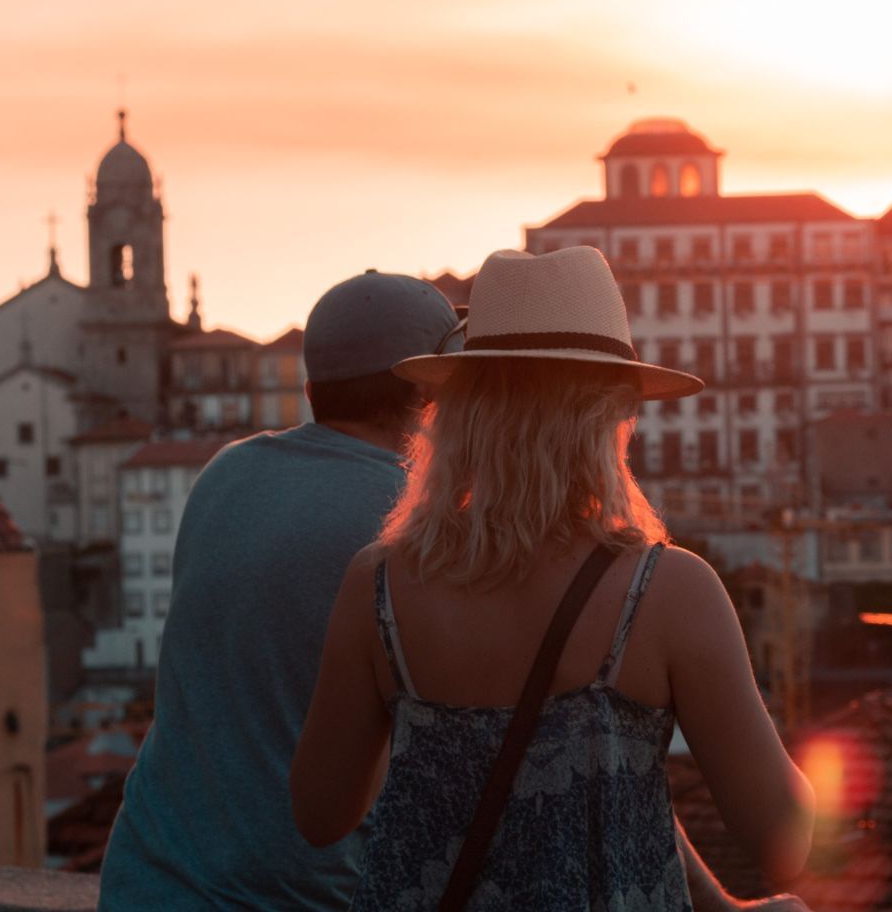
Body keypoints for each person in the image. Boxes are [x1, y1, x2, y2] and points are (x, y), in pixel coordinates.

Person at [102, 268, 786, 911]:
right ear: (429, 397)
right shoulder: (421, 540)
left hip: (149, 880)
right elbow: (595, 750)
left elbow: (318, 800)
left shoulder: (227, 478)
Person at [291, 247, 815, 910]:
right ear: (609, 416)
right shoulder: (670, 593)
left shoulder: (379, 584)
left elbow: (320, 816)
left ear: (456, 412)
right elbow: (783, 842)